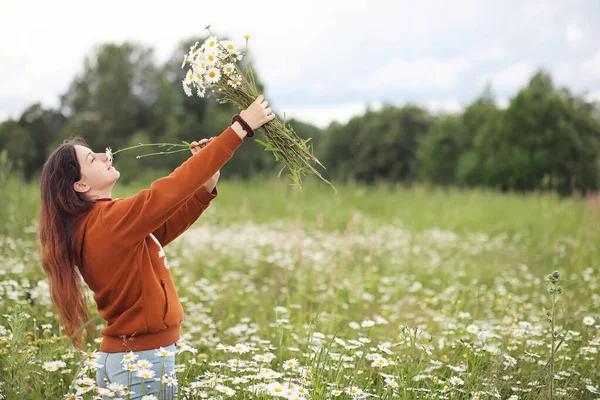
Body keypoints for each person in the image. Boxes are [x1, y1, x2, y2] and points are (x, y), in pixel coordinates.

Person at [38, 95, 274, 399]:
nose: (101, 154)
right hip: (142, 361)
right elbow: (169, 191)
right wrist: (240, 128)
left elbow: (161, 229)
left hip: (124, 359)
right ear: (80, 186)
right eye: (90, 158)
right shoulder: (109, 219)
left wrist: (205, 184)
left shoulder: (99, 224)